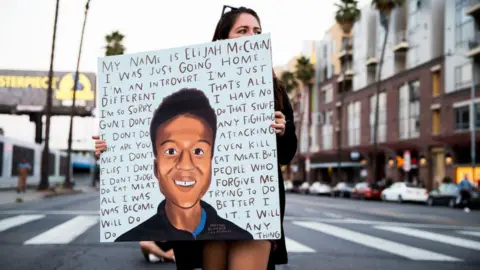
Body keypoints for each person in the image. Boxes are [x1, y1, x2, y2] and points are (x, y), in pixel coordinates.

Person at [93, 5, 297, 269]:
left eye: (257, 31)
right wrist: (113, 148)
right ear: (223, 39)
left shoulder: (273, 88)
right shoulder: (193, 80)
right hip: (208, 206)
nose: (252, 36)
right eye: (243, 30)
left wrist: (282, 132)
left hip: (254, 205)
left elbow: (287, 154)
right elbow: (156, 135)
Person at [114, 88, 253, 242]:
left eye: (198, 151)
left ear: (211, 163)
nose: (185, 165)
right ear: (155, 168)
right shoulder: (130, 237)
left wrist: (282, 132)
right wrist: (109, 150)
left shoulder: (240, 237)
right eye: (171, 151)